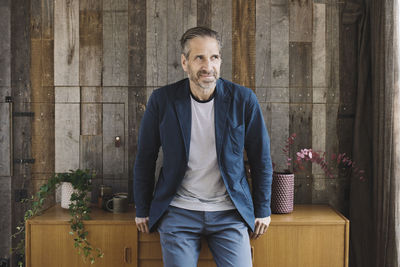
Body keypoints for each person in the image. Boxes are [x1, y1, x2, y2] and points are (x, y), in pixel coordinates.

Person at [134, 26, 273, 267]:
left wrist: (263, 208)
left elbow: (261, 157)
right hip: (178, 212)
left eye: (214, 57)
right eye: (199, 58)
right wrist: (142, 208)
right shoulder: (162, 100)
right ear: (185, 62)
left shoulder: (244, 100)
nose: (208, 67)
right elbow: (145, 158)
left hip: (229, 213)